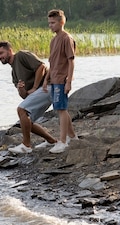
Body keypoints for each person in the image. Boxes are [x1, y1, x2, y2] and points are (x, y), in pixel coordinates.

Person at [0, 41, 58, 154]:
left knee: (21, 110)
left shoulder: (21, 55)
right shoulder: (14, 73)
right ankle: (51, 141)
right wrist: (21, 89)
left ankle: (26, 145)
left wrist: (34, 87)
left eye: (1, 53)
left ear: (9, 51)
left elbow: (41, 66)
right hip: (42, 92)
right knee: (26, 121)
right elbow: (25, 97)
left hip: (49, 87)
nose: (0, 57)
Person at [44, 9, 78, 154]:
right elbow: (52, 63)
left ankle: (62, 141)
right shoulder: (53, 40)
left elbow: (71, 61)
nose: (50, 26)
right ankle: (72, 136)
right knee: (60, 107)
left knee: (61, 109)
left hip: (62, 79)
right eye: (49, 23)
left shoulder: (66, 38)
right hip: (54, 78)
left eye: (53, 23)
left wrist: (69, 81)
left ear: (61, 22)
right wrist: (46, 79)